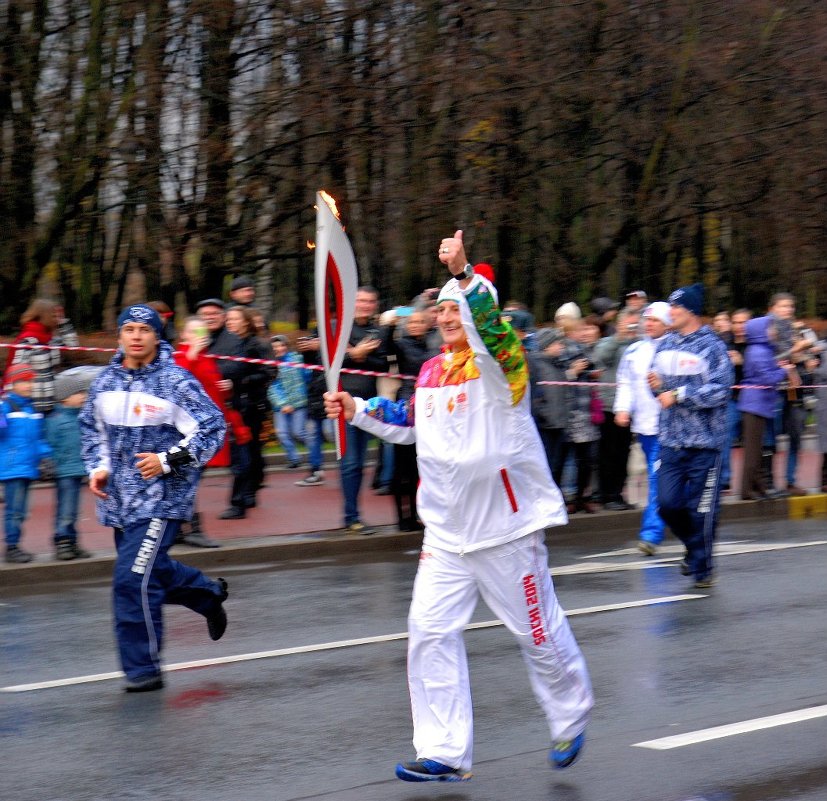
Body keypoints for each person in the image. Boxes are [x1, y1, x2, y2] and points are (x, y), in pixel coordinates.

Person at [324, 231, 593, 782]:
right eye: (442, 307)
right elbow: (408, 422)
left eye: (457, 308)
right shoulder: (430, 372)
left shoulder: (506, 370)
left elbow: (492, 333)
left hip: (506, 530)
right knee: (428, 632)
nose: (448, 317)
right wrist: (355, 406)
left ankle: (570, 715)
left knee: (535, 633)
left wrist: (467, 275)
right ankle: (444, 750)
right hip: (446, 534)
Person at [79, 304, 229, 692]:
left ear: (156, 335)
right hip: (119, 500)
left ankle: (143, 669)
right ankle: (208, 594)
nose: (136, 335)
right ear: (119, 335)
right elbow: (91, 430)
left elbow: (212, 427)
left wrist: (167, 460)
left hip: (163, 499)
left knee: (131, 579)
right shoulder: (104, 381)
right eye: (128, 328)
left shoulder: (175, 381)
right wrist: (98, 467)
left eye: (144, 329)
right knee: (151, 572)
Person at [647, 283, 733, 589]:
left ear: (692, 312)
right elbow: (657, 387)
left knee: (703, 510)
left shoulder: (712, 346)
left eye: (676, 308)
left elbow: (720, 391)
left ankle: (703, 568)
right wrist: (656, 386)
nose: (670, 312)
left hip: (705, 442)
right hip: (671, 439)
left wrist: (678, 393)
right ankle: (695, 550)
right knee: (667, 505)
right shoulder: (665, 344)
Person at [173, 316, 252, 547]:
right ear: (184, 336)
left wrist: (226, 390)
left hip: (206, 428)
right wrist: (191, 355)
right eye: (195, 332)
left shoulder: (207, 358)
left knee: (190, 478)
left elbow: (212, 395)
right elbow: (177, 384)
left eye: (203, 332)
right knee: (189, 477)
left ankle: (181, 527)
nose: (201, 336)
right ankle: (191, 528)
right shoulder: (180, 357)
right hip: (186, 430)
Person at [613, 302, 672, 555]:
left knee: (657, 479)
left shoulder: (676, 348)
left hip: (671, 426)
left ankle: (651, 534)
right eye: (647, 320)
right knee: (661, 480)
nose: (649, 325)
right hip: (645, 426)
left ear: (667, 323)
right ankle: (680, 521)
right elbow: (625, 382)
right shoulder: (635, 351)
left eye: (655, 321)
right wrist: (622, 408)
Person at [338, 285, 389, 534]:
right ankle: (351, 517)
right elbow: (325, 360)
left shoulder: (378, 330)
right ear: (352, 302)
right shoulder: (338, 327)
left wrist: (359, 356)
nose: (365, 305)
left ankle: (353, 514)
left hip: (368, 405)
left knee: (359, 463)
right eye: (361, 301)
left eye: (370, 301)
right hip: (341, 404)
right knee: (350, 463)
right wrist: (354, 354)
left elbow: (381, 364)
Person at [737, 317, 799, 500]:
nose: (773, 331)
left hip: (757, 404)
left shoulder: (761, 350)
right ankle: (747, 490)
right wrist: (784, 371)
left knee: (756, 450)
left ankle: (757, 487)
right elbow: (768, 379)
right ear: (759, 331)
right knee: (753, 451)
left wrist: (779, 368)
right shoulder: (759, 351)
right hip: (754, 405)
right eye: (769, 327)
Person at [387, 309, 438, 530]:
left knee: (420, 464)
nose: (416, 325)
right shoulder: (401, 345)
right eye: (412, 322)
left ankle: (417, 513)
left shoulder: (431, 344)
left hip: (429, 405)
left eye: (420, 321)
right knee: (402, 463)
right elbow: (386, 347)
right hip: (407, 404)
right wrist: (388, 326)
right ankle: (402, 517)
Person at [224, 305, 276, 509]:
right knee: (239, 450)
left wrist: (243, 381)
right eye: (228, 319)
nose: (230, 323)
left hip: (253, 404)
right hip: (233, 404)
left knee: (251, 449)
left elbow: (270, 372)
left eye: (234, 319)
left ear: (245, 321)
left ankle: (249, 490)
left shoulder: (257, 344)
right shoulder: (228, 344)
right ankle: (247, 486)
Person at [1, 364, 54, 563]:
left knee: (21, 511)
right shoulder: (6, 406)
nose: (28, 385)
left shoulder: (32, 409)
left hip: (27, 467)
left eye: (30, 380)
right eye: (23, 381)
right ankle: (12, 547)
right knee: (14, 511)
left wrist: (46, 457)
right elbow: (1, 431)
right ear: (12, 383)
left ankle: (15, 545)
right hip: (13, 467)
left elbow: (38, 438)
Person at [44, 371, 97, 560]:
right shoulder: (56, 420)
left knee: (74, 509)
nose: (83, 396)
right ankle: (62, 541)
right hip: (64, 471)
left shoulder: (82, 418)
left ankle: (72, 542)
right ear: (65, 398)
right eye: (78, 393)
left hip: (77, 469)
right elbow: (49, 445)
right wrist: (50, 464)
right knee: (66, 509)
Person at [593, 307, 641, 510]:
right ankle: (607, 494)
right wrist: (619, 337)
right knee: (609, 453)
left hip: (629, 407)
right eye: (629, 321)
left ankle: (617, 493)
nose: (632, 325)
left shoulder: (639, 345)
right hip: (609, 405)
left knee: (623, 453)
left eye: (635, 321)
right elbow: (601, 357)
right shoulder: (609, 342)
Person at [3, 298, 79, 414]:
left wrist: (63, 322)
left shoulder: (51, 339)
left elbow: (73, 346)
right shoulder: (28, 340)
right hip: (32, 402)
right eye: (54, 316)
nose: (56, 319)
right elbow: (17, 371)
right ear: (45, 316)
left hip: (52, 398)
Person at [721, 309, 751, 491]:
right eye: (736, 323)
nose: (739, 327)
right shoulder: (726, 343)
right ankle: (725, 479)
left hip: (751, 399)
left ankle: (751, 481)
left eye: (743, 322)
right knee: (725, 438)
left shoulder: (755, 344)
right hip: (731, 399)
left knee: (754, 442)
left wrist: (743, 362)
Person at [268, 335, 308, 469]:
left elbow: (302, 382)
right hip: (280, 406)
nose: (279, 349)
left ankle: (314, 450)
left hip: (298, 403)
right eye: (275, 347)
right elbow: (271, 387)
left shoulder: (296, 359)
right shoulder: (270, 364)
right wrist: (283, 404)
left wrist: (293, 403)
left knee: (298, 432)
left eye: (282, 345)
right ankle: (294, 459)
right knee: (282, 433)